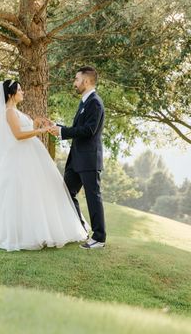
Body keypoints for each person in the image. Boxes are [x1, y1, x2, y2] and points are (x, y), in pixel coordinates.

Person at [0, 79, 88, 251]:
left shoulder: (16, 112)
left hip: (32, 155)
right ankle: (24, 234)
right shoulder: (9, 112)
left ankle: (46, 230)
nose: (23, 92)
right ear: (11, 94)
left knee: (40, 191)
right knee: (23, 194)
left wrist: (36, 123)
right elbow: (18, 135)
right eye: (19, 90)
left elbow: (26, 128)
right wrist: (39, 131)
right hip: (20, 157)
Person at [49, 66, 106, 249]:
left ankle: (99, 238)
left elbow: (89, 130)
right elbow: (78, 128)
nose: (74, 83)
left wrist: (62, 131)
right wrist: (56, 126)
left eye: (76, 79)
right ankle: (81, 229)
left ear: (86, 81)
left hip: (89, 160)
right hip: (76, 160)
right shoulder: (84, 102)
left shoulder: (95, 103)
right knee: (65, 193)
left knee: (93, 197)